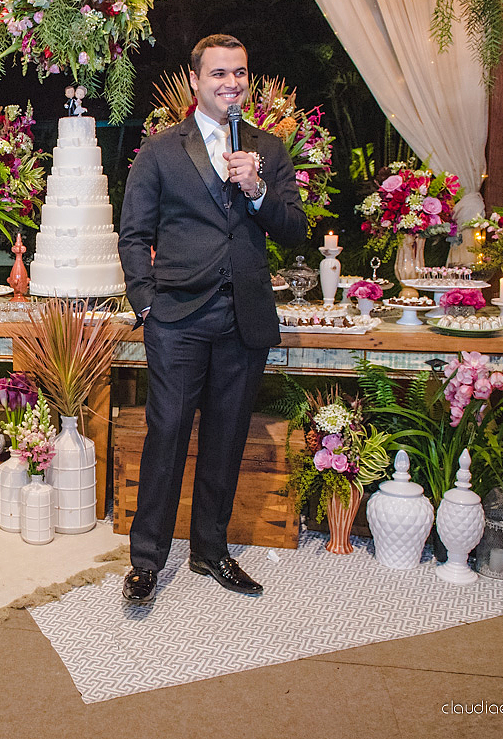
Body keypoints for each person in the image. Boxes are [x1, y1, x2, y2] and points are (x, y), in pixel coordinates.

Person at [117, 35, 306, 604]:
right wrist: (145, 302)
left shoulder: (269, 150)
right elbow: (134, 234)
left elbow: (294, 231)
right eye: (219, 73)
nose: (231, 83)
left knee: (226, 439)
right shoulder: (159, 151)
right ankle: (146, 561)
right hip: (176, 316)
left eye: (240, 73)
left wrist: (257, 190)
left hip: (244, 316)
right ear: (196, 80)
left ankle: (210, 550)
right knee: (167, 435)